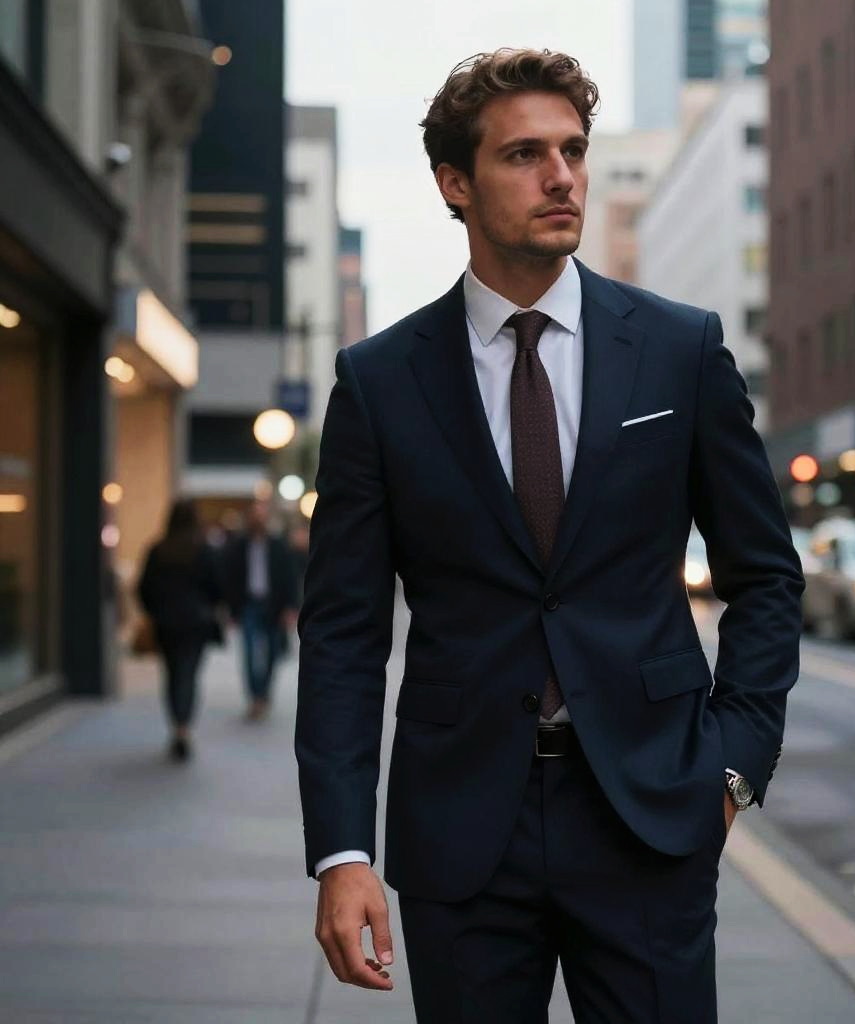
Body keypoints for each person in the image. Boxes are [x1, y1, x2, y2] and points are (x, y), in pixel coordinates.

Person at [296, 49, 804, 1023]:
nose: (561, 175)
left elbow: (766, 577)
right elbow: (343, 634)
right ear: (455, 183)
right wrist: (342, 850)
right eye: (524, 154)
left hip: (648, 811)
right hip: (460, 825)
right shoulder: (379, 382)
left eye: (572, 150)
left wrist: (732, 768)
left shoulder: (680, 349)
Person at [138, 499, 224, 762]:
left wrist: (155, 611)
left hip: (166, 623)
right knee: (188, 674)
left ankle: (177, 724)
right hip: (195, 622)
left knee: (172, 674)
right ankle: (183, 726)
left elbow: (144, 588)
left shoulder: (158, 550)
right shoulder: (203, 550)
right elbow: (216, 587)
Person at [223, 499, 299, 721]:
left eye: (262, 516)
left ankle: (264, 692)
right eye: (255, 516)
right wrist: (232, 610)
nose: (259, 520)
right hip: (249, 605)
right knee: (249, 652)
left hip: (273, 606)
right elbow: (230, 579)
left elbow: (289, 577)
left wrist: (291, 607)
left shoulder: (278, 546)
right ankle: (255, 697)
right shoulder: (239, 546)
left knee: (273, 652)